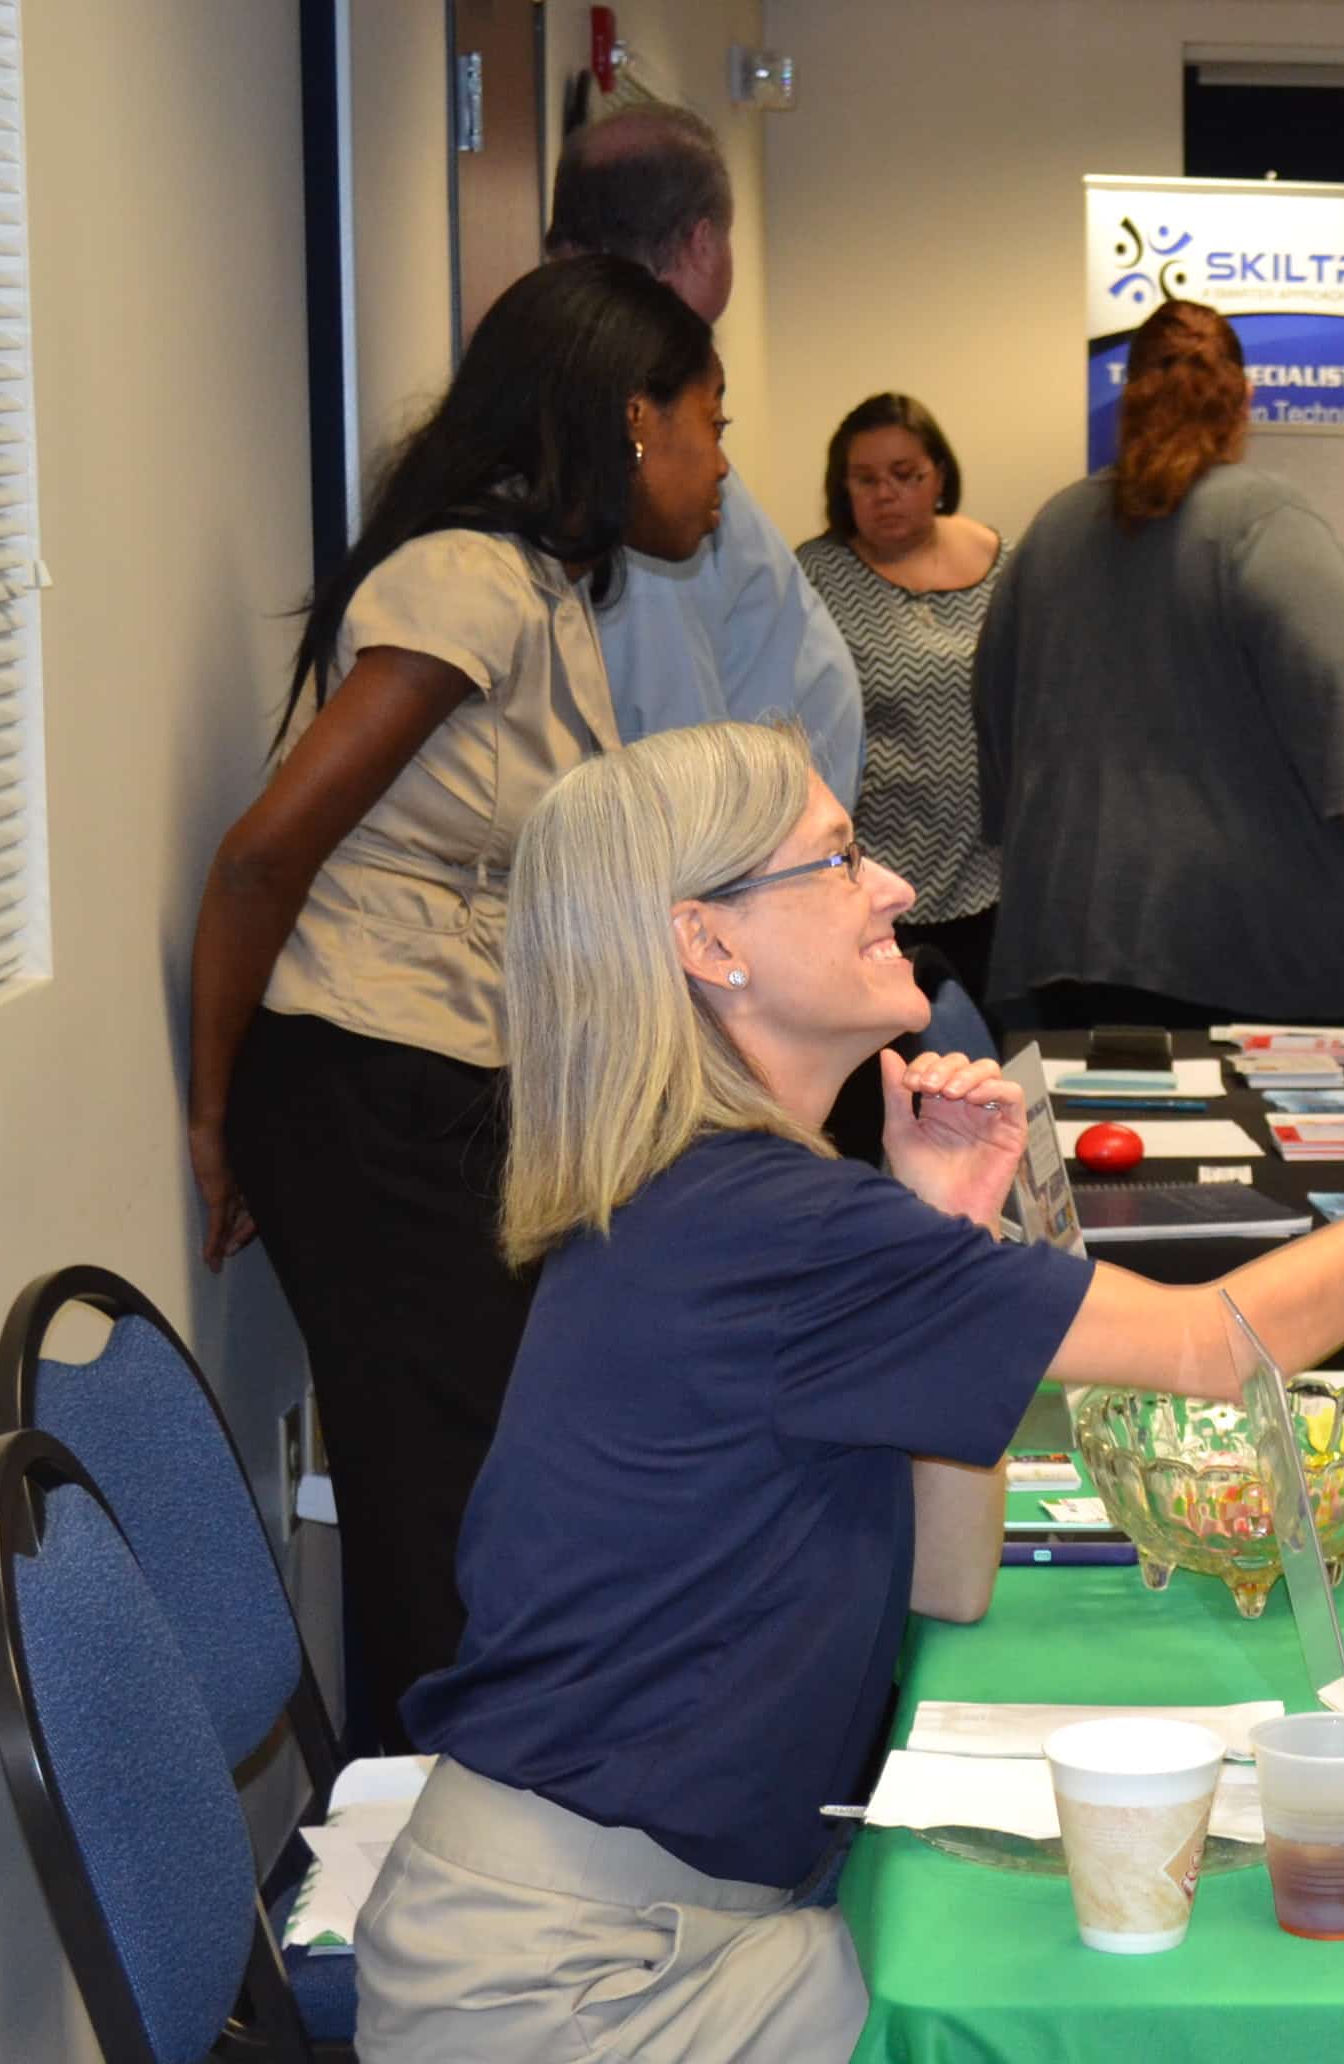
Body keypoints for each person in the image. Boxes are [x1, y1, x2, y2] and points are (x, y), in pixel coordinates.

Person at [353, 721, 1344, 2064]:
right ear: (709, 941)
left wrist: (949, 1232)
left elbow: (948, 1585)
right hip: (571, 2014)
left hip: (604, 1940)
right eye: (835, 858)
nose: (893, 884)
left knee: (1114, 1959)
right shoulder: (770, 1227)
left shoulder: (728, 1203)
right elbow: (1225, 1348)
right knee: (1145, 2046)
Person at [186, 255, 727, 1753]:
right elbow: (261, 856)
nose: (722, 460)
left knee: (475, 1479)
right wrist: (217, 1114)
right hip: (362, 1088)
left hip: (439, 1086)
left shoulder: (537, 583)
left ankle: (468, 1827)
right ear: (633, 418)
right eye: (710, 416)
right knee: (440, 1492)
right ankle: (428, 1864)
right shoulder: (465, 580)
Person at [975, 299, 1344, 1029]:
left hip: (1070, 939)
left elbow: (992, 708)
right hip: (1252, 949)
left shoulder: (1051, 531)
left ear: (1128, 398)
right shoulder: (1265, 518)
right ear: (1245, 399)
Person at [547, 101, 862, 801]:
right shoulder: (636, 440)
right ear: (700, 244)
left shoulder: (581, 389)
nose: (716, 462)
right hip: (722, 864)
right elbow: (665, 732)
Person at [797, 393, 1004, 1004]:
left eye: (905, 475)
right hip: (874, 873)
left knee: (986, 1057)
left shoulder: (1002, 563)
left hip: (992, 874)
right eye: (865, 479)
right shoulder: (813, 577)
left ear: (939, 475)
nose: (885, 493)